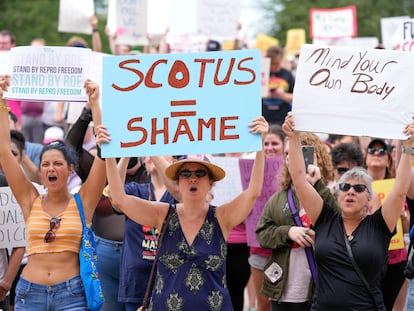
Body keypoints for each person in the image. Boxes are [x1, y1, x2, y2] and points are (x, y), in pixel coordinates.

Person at [104, 116, 268, 310]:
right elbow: (119, 199)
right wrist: (109, 152)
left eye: (200, 174)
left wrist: (260, 144)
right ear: (178, 183)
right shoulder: (162, 214)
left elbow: (253, 192)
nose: (192, 179)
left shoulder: (222, 217)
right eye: (186, 174)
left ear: (210, 183)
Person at [282, 112, 414, 310]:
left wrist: (408, 146)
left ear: (370, 198)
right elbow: (300, 181)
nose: (350, 191)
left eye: (359, 188)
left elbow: (400, 189)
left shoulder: (379, 224)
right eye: (345, 187)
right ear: (338, 194)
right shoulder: (325, 218)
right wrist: (293, 138)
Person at [0, 76, 107, 310]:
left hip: (73, 295)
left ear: (71, 170)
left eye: (58, 164)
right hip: (30, 293)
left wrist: (95, 103)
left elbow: (103, 156)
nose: (50, 168)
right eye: (45, 164)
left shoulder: (84, 202)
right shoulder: (30, 199)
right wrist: (1, 101)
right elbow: (5, 153)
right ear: (39, 170)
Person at [256, 132, 336, 311]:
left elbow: (339, 226)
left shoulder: (331, 192)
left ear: (317, 157)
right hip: (282, 290)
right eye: (286, 153)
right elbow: (262, 234)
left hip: (319, 288)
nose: (290, 158)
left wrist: (317, 187)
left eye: (298, 153)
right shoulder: (278, 198)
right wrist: (288, 232)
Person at [246, 124, 286, 311]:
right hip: (258, 248)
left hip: (285, 250)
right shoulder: (251, 171)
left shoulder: (294, 172)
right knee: (263, 304)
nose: (269, 147)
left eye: (274, 143)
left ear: (284, 145)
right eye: (266, 143)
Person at [364, 138, 407, 311]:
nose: (376, 154)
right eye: (372, 150)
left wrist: (402, 216)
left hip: (395, 257)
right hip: (367, 256)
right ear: (365, 157)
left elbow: (405, 229)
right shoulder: (355, 186)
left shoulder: (397, 188)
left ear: (389, 159)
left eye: (382, 151)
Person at [262, 45, 295, 126]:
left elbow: (296, 97)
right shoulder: (260, 73)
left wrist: (281, 95)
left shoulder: (287, 74)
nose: (275, 66)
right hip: (263, 118)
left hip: (282, 119)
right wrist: (264, 94)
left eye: (277, 64)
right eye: (272, 64)